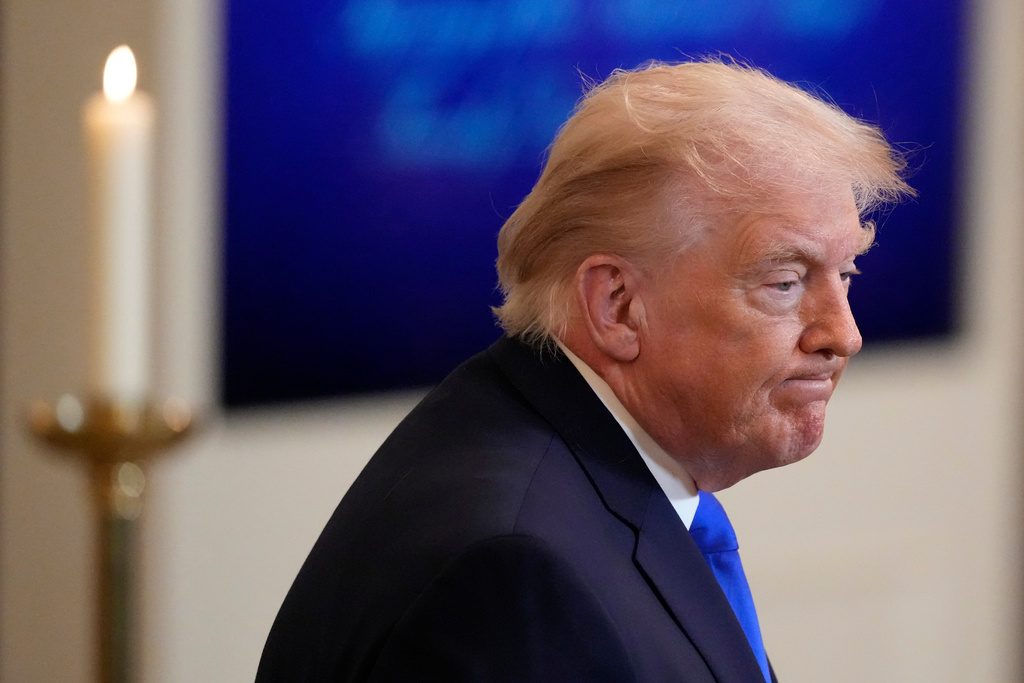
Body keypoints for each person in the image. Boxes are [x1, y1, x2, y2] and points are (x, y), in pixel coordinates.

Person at [256, 58, 912, 682]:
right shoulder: (514, 577)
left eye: (847, 273)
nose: (843, 335)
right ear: (617, 306)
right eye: (786, 281)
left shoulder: (540, 439)